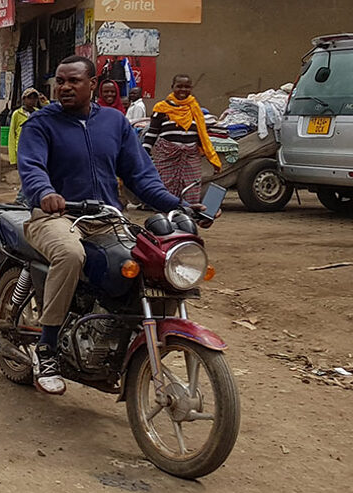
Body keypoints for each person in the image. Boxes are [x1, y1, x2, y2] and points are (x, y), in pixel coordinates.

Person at [16, 56, 203, 395]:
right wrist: (45, 193)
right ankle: (47, 348)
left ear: (93, 84)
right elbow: (32, 167)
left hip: (106, 218)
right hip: (56, 217)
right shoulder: (40, 124)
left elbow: (142, 177)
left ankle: (125, 335)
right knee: (71, 254)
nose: (65, 87)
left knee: (153, 259)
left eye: (74, 81)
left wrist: (178, 205)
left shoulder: (115, 123)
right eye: (61, 81)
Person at [141, 74, 220, 204]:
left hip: (190, 158)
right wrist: (143, 155)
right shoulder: (161, 109)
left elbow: (202, 137)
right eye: (179, 86)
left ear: (191, 88)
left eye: (187, 87)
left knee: (192, 190)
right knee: (166, 192)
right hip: (167, 158)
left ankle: (188, 220)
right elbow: (152, 133)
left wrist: (213, 160)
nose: (183, 90)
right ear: (173, 87)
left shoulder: (196, 110)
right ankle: (168, 220)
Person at [8, 88, 42, 166]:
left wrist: (45, 103)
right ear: (24, 99)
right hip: (21, 151)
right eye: (29, 98)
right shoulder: (17, 114)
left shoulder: (39, 114)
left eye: (34, 98)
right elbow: (12, 136)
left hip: (35, 152)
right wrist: (13, 159)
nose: (32, 100)